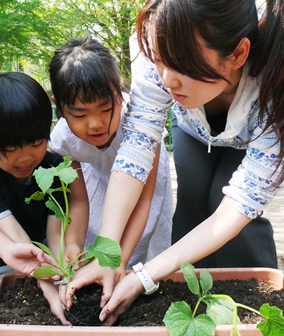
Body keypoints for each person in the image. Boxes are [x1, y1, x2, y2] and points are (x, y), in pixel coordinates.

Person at [60, 0, 284, 325]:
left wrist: (143, 277)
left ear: (237, 54)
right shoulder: (163, 62)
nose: (167, 80)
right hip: (193, 126)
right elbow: (136, 151)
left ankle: (251, 309)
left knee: (230, 216)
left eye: (181, 65)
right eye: (159, 61)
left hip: (252, 133)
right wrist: (107, 255)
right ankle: (195, 307)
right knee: (193, 204)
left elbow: (238, 205)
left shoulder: (275, 87)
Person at [0, 72, 88, 325]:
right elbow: (15, 236)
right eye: (10, 149)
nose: (25, 159)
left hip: (42, 251)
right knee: (18, 300)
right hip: (0, 265)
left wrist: (60, 273)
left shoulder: (56, 167)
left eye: (36, 142)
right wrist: (46, 284)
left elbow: (56, 230)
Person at [48, 37, 173, 276]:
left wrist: (119, 261)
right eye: (79, 114)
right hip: (97, 187)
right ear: (60, 109)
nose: (95, 124)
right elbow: (78, 201)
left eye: (106, 109)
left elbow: (144, 201)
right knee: (98, 239)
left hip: (145, 190)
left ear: (120, 94)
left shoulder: (142, 123)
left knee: (148, 247)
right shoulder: (64, 139)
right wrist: (73, 244)